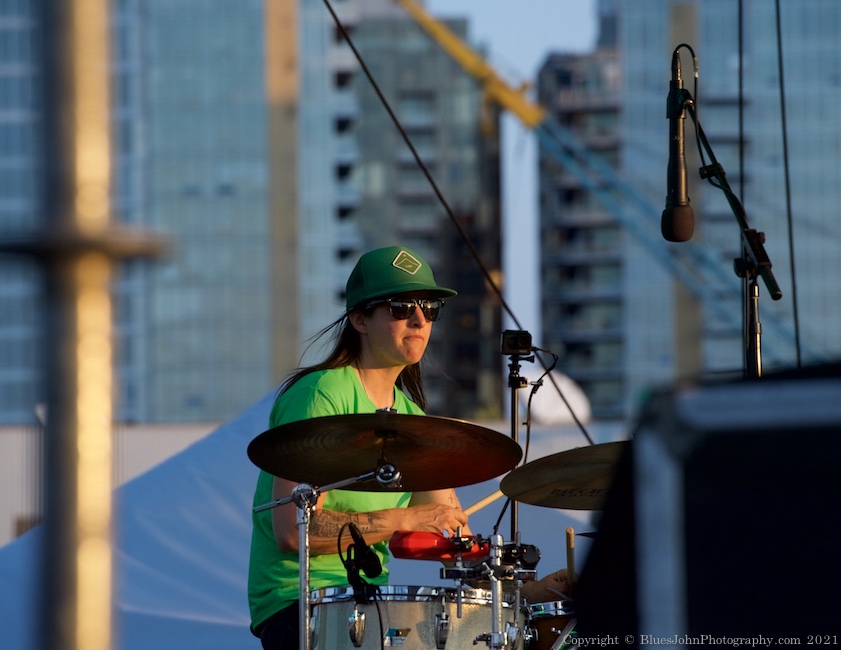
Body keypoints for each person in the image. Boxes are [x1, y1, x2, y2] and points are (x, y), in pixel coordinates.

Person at [248, 246, 473, 650]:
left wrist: (526, 591)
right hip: (303, 604)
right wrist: (403, 520)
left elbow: (450, 534)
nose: (420, 319)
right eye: (401, 306)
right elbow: (294, 531)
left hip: (370, 607)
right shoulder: (322, 394)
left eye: (430, 307)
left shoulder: (410, 416)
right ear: (359, 319)